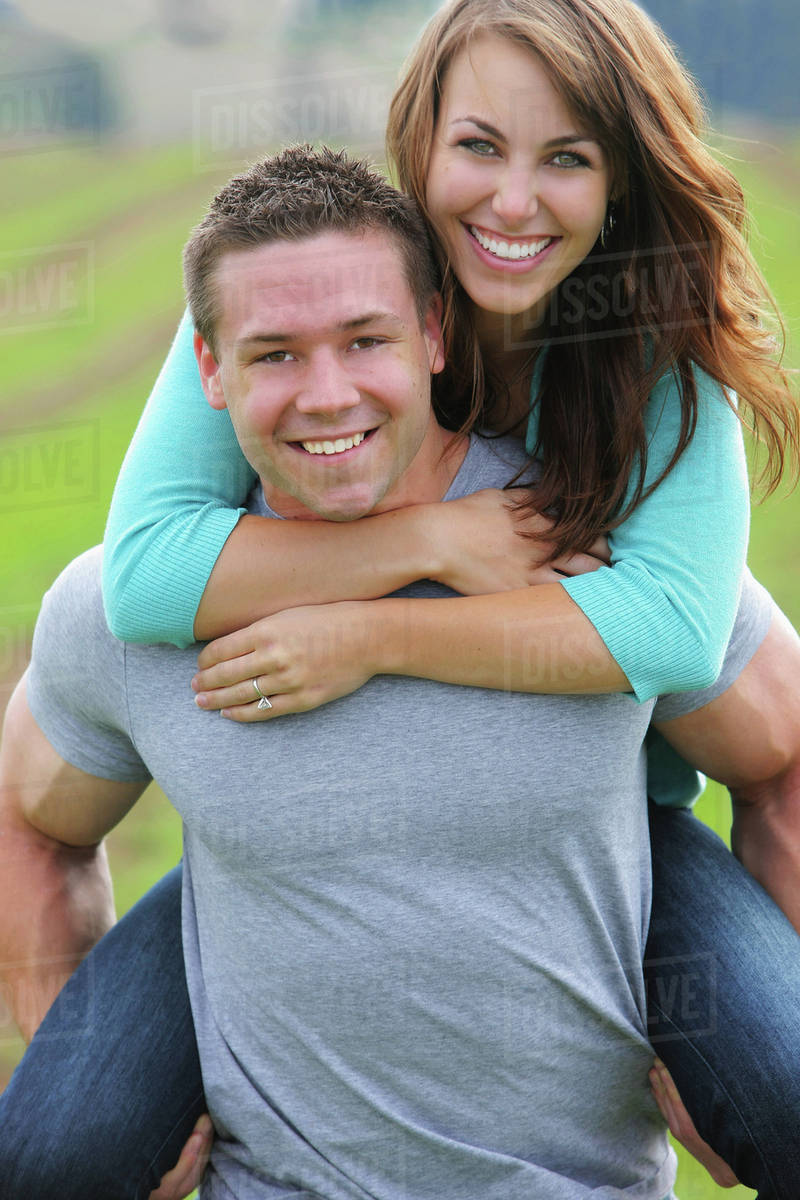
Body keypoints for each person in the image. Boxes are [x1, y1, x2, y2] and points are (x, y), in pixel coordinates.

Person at [2, 0, 800, 1191]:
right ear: (417, 142)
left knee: (783, 1094)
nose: (513, 203)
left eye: (567, 158)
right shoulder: (311, 284)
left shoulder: (656, 373)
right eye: (478, 146)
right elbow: (152, 577)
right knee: (59, 1149)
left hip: (605, 814)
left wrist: (369, 638)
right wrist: (430, 535)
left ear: (621, 182)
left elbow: (673, 633)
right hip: (289, 865)